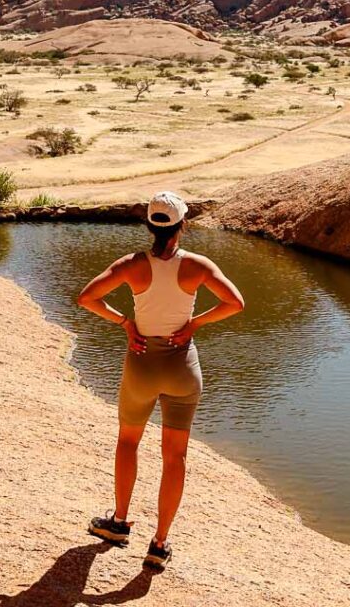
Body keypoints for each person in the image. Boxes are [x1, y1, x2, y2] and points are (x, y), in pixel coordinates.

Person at [76, 190, 244, 572]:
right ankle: (160, 544)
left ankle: (118, 523)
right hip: (182, 366)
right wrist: (194, 324)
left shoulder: (131, 264)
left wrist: (125, 322)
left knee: (128, 441)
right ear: (183, 224)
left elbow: (86, 298)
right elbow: (235, 304)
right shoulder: (198, 266)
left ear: (150, 226)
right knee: (175, 456)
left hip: (141, 363)